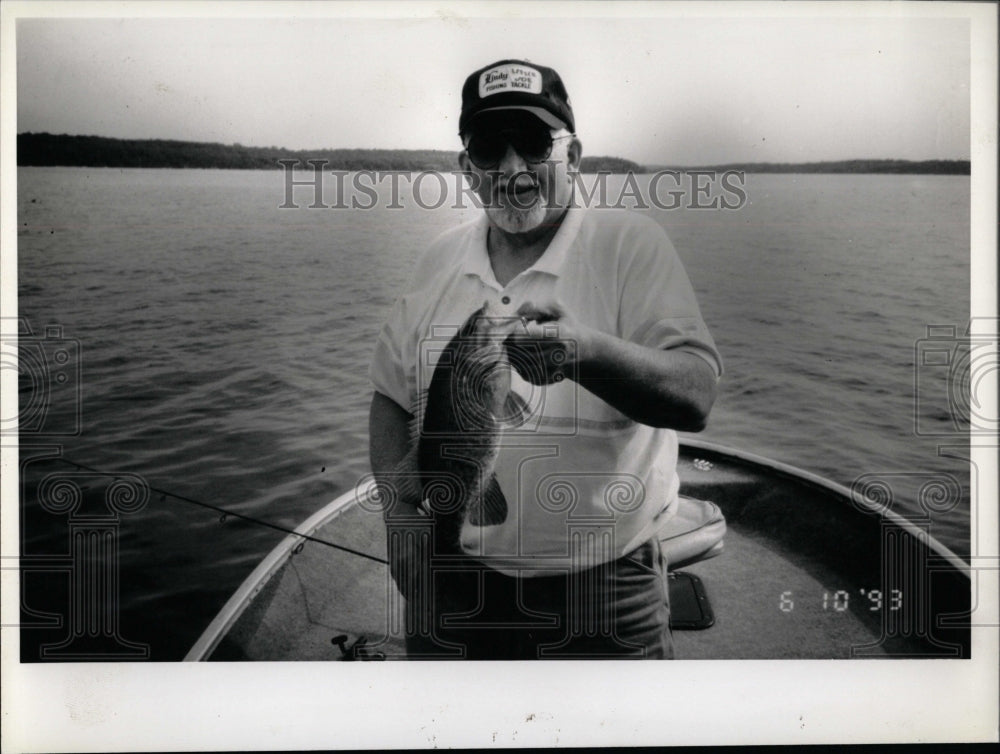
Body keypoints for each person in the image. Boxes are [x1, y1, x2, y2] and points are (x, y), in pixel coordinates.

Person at [368, 59, 722, 659]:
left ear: (574, 157)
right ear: (466, 168)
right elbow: (389, 397)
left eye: (534, 144)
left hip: (606, 588)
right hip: (454, 580)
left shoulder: (629, 245)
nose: (512, 168)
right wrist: (402, 512)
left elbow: (697, 395)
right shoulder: (437, 260)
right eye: (488, 148)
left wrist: (587, 353)